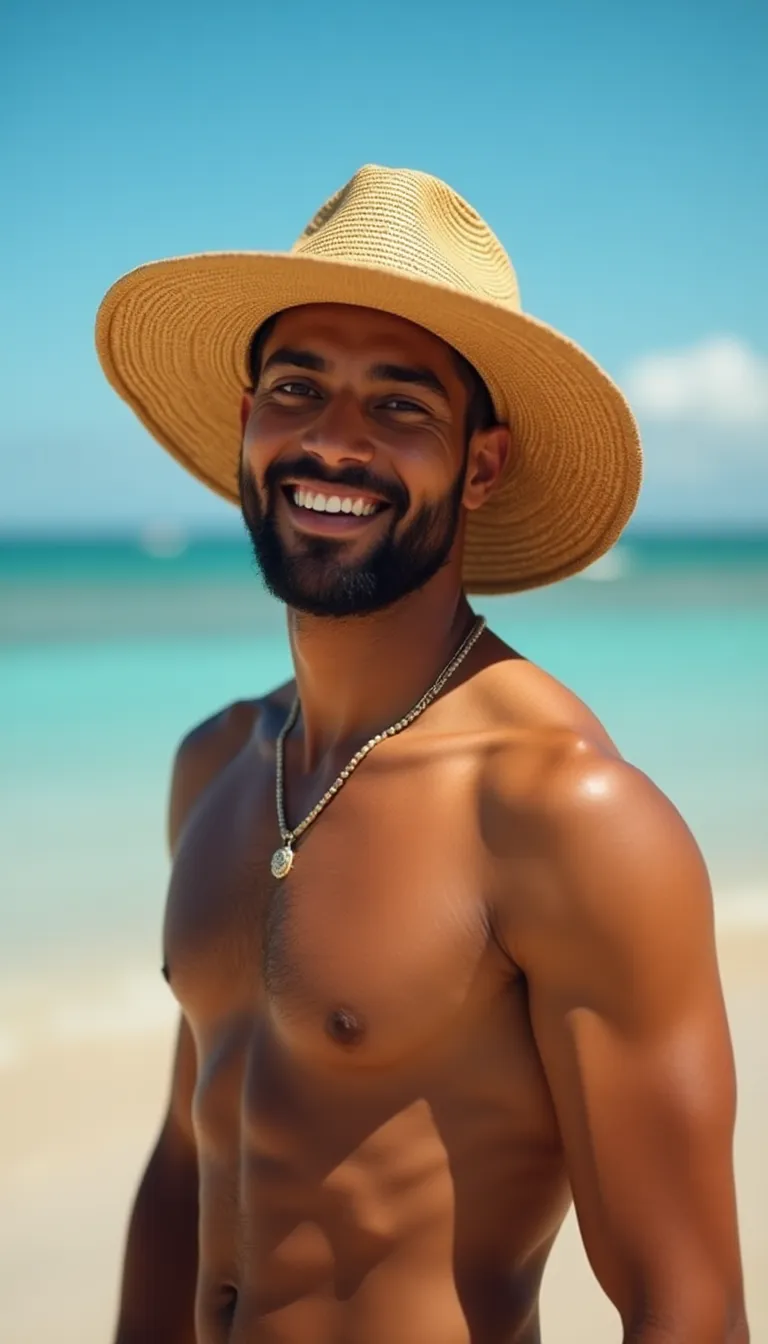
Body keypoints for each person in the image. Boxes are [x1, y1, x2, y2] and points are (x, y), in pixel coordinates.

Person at [97, 165, 748, 1344]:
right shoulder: (219, 766)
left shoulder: (562, 812)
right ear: (248, 424)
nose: (332, 441)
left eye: (399, 406)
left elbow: (686, 1302)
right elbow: (188, 1165)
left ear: (481, 465)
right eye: (298, 389)